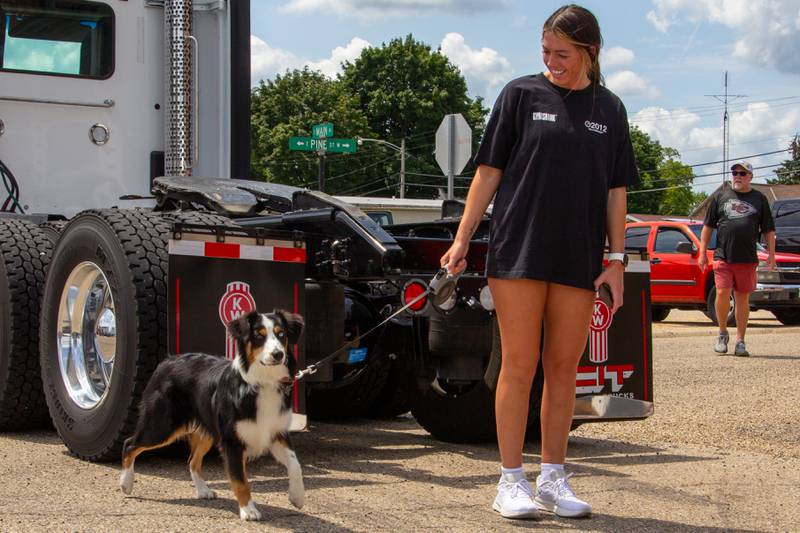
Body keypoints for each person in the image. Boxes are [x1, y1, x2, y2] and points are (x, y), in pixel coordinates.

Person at [440, 4, 639, 520]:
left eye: (563, 54)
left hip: (578, 255)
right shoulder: (520, 95)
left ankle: (553, 477)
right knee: (520, 365)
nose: (552, 61)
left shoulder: (610, 109)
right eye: (546, 52)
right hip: (518, 250)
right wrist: (463, 240)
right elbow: (487, 174)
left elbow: (616, 192)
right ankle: (510, 480)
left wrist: (616, 259)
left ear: (589, 52)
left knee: (563, 369)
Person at [698, 161, 776, 356]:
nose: (737, 176)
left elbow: (768, 229)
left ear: (750, 176)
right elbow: (707, 227)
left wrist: (772, 256)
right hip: (723, 256)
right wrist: (702, 252)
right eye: (734, 173)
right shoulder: (720, 197)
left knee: (742, 298)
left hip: (747, 258)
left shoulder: (759, 199)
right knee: (723, 292)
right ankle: (722, 333)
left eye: (742, 173)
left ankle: (740, 341)